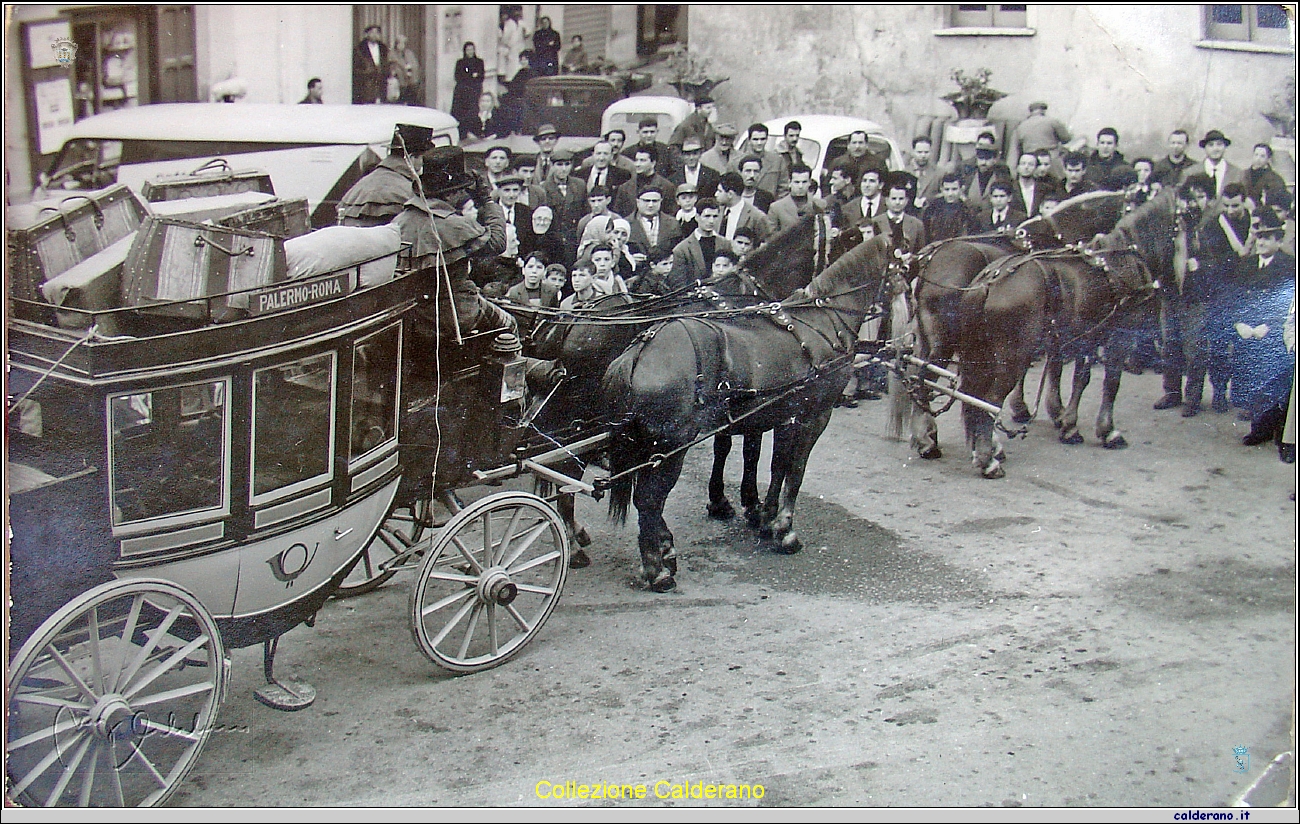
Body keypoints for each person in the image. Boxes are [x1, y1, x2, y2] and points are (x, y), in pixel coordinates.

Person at [1232, 209, 1295, 448]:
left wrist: (1267, 326)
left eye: (1267, 238)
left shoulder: (1289, 267)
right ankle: (1259, 427)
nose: (1261, 242)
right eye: (1258, 237)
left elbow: (1288, 305)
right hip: (1248, 331)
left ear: (1279, 241)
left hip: (1274, 333)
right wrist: (1239, 323)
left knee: (1275, 383)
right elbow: (1236, 297)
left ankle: (1278, 429)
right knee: (1252, 379)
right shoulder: (1247, 264)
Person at [338, 123, 432, 226]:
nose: (424, 163)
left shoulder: (359, 186)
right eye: (423, 158)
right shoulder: (408, 191)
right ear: (412, 157)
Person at [669, 198, 731, 290]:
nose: (711, 221)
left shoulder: (726, 244)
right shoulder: (682, 249)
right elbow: (679, 284)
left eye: (715, 216)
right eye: (707, 216)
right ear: (697, 217)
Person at [1007, 101, 1073, 170]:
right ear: (1043, 111)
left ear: (1031, 112)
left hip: (1031, 160)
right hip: (1050, 158)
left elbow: (1014, 151)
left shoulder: (1020, 126)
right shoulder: (1052, 121)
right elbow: (1066, 139)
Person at [613, 144, 675, 217]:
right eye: (636, 160)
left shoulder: (666, 186)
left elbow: (670, 214)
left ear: (653, 163)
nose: (637, 164)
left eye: (642, 160)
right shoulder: (624, 187)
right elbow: (618, 213)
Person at [733, 123, 789, 199]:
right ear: (749, 140)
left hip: (769, 206)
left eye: (762, 139)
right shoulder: (736, 162)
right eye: (755, 139)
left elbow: (783, 189)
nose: (759, 143)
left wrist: (775, 207)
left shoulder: (777, 161)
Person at [716, 172, 770, 243]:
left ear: (730, 194)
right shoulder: (717, 211)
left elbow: (765, 244)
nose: (716, 194)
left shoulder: (757, 217)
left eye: (720, 191)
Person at [768, 164, 822, 235]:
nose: (800, 186)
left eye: (804, 182)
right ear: (789, 183)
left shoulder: (819, 205)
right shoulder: (776, 208)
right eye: (797, 182)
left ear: (809, 183)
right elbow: (771, 237)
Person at [628, 188, 682, 257]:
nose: (650, 205)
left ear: (660, 201)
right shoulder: (627, 224)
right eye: (646, 201)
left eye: (655, 201)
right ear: (638, 202)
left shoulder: (672, 224)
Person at [922, 173, 975, 242]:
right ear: (941, 189)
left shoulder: (967, 211)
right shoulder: (932, 209)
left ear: (962, 189)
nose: (950, 194)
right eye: (947, 189)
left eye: (954, 189)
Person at [451, 43, 486, 139]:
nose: (470, 52)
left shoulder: (479, 62)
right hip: (462, 92)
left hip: (474, 91)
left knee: (472, 112)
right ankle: (462, 133)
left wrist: (469, 77)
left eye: (472, 49)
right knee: (461, 113)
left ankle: (473, 132)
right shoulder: (460, 62)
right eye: (468, 50)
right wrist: (472, 76)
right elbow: (458, 77)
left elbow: (481, 77)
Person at [1198, 130, 1243, 200]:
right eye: (1210, 145)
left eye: (1219, 144)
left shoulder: (1237, 174)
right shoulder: (1191, 172)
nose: (1215, 149)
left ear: (1225, 147)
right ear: (1205, 148)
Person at [1243, 143, 1287, 210]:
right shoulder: (1243, 174)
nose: (1258, 159)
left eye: (1262, 156)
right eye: (1256, 155)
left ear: (1268, 158)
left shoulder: (1275, 179)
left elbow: (1276, 203)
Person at [353, 24, 389, 104]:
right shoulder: (360, 48)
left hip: (380, 84)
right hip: (366, 85)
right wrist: (367, 72)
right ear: (367, 34)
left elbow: (386, 65)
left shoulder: (383, 48)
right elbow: (356, 68)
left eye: (377, 33)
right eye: (372, 32)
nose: (374, 35)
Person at [496, 6, 529, 88]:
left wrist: (525, 32)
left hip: (520, 48)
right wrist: (509, 45)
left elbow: (528, 33)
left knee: (520, 66)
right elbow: (505, 38)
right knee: (512, 70)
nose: (518, 13)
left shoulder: (522, 23)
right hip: (512, 49)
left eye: (519, 11)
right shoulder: (509, 23)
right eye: (516, 11)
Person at [389, 34, 421, 105]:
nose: (401, 45)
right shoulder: (392, 53)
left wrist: (409, 68)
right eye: (399, 43)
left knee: (412, 100)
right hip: (399, 84)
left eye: (403, 43)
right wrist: (404, 67)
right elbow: (393, 65)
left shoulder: (409, 53)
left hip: (411, 82)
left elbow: (415, 65)